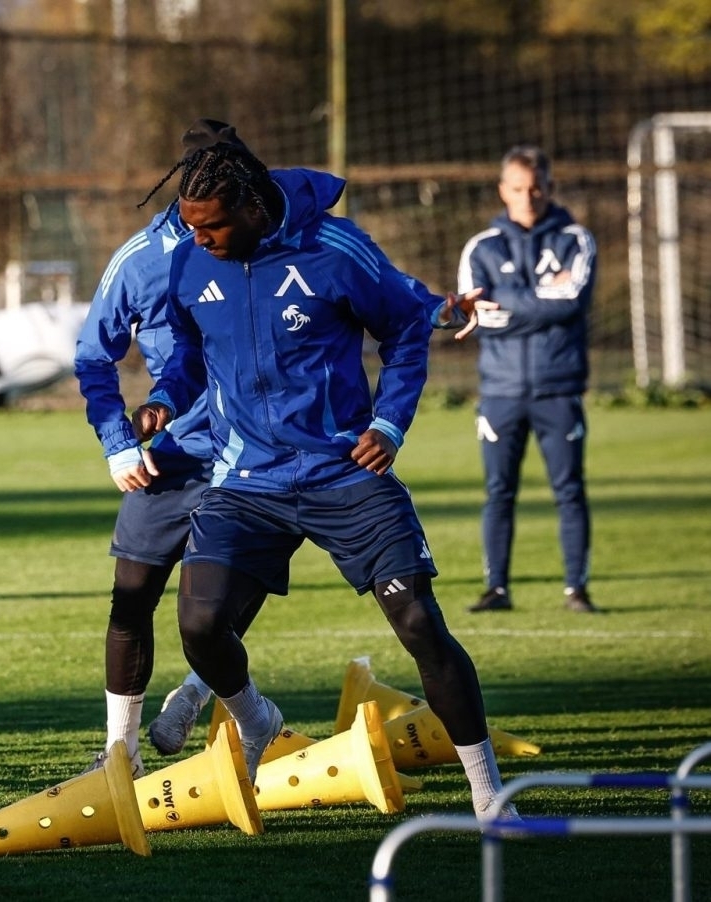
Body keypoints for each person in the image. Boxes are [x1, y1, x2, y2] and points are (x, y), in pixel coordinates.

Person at [130, 139, 515, 817]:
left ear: (252, 208)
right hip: (247, 482)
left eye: (211, 225)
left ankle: (490, 801)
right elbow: (190, 351)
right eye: (190, 226)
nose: (198, 239)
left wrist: (388, 424)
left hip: (343, 472)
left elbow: (404, 325)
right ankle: (256, 720)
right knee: (200, 624)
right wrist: (165, 397)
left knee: (418, 620)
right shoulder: (189, 262)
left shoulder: (335, 248)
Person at [74, 120, 268, 777]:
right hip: (177, 454)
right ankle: (120, 754)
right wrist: (120, 442)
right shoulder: (141, 261)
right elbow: (93, 354)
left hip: (260, 458)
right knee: (131, 595)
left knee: (214, 609)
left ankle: (197, 694)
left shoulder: (278, 243)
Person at [459, 145, 598, 615]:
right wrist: (542, 298)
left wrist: (508, 302)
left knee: (569, 490)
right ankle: (496, 589)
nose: (528, 197)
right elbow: (477, 315)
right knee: (499, 492)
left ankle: (576, 590)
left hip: (558, 388)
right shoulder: (481, 247)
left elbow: (572, 302)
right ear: (503, 190)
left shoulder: (576, 239)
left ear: (549, 188)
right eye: (518, 188)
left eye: (536, 188)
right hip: (500, 392)